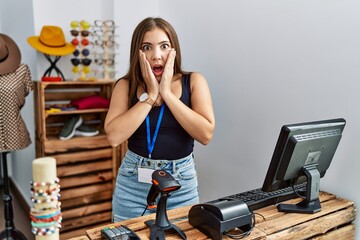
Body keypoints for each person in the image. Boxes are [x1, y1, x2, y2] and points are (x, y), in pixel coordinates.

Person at [104, 17, 215, 222]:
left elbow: (205, 134)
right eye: (147, 47)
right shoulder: (125, 85)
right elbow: (113, 136)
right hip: (133, 183)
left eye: (164, 46)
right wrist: (150, 97)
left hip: (180, 183)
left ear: (174, 50)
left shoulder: (194, 81)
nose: (156, 56)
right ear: (137, 52)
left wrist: (167, 94)